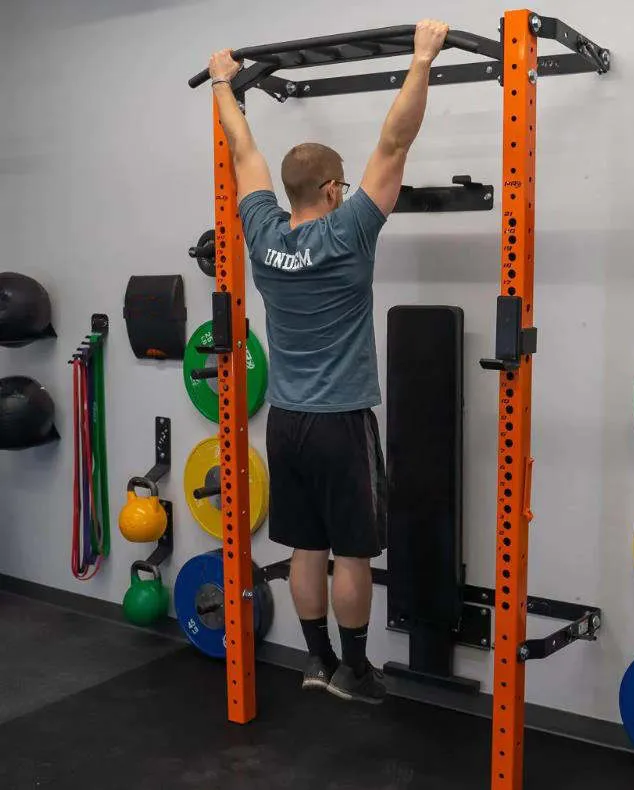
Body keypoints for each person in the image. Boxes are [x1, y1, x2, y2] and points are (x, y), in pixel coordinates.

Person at [207, 19, 449, 704]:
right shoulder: (348, 232)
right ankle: (356, 671)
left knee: (305, 548)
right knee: (352, 555)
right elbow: (395, 142)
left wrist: (223, 82)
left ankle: (315, 662)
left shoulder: (261, 232)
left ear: (290, 192)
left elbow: (243, 149)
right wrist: (422, 59)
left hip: (285, 423)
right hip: (342, 421)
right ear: (335, 188)